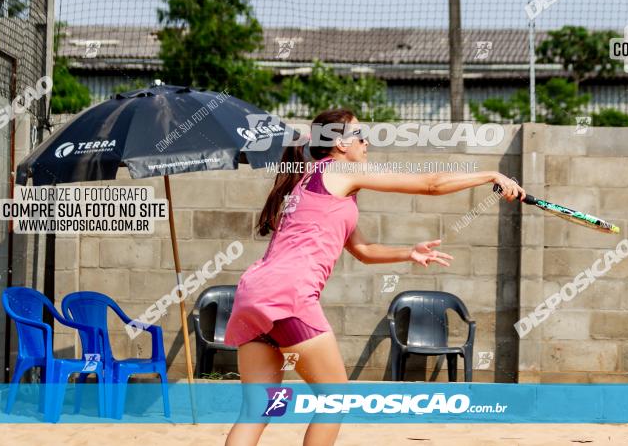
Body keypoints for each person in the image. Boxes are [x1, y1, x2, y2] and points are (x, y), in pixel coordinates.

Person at [224, 108, 525, 446]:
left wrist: (408, 252)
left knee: (258, 410)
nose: (366, 142)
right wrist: (490, 176)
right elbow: (430, 183)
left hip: (253, 296)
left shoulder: (310, 179)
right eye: (360, 135)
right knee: (334, 399)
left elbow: (363, 250)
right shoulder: (339, 171)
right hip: (287, 297)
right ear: (338, 143)